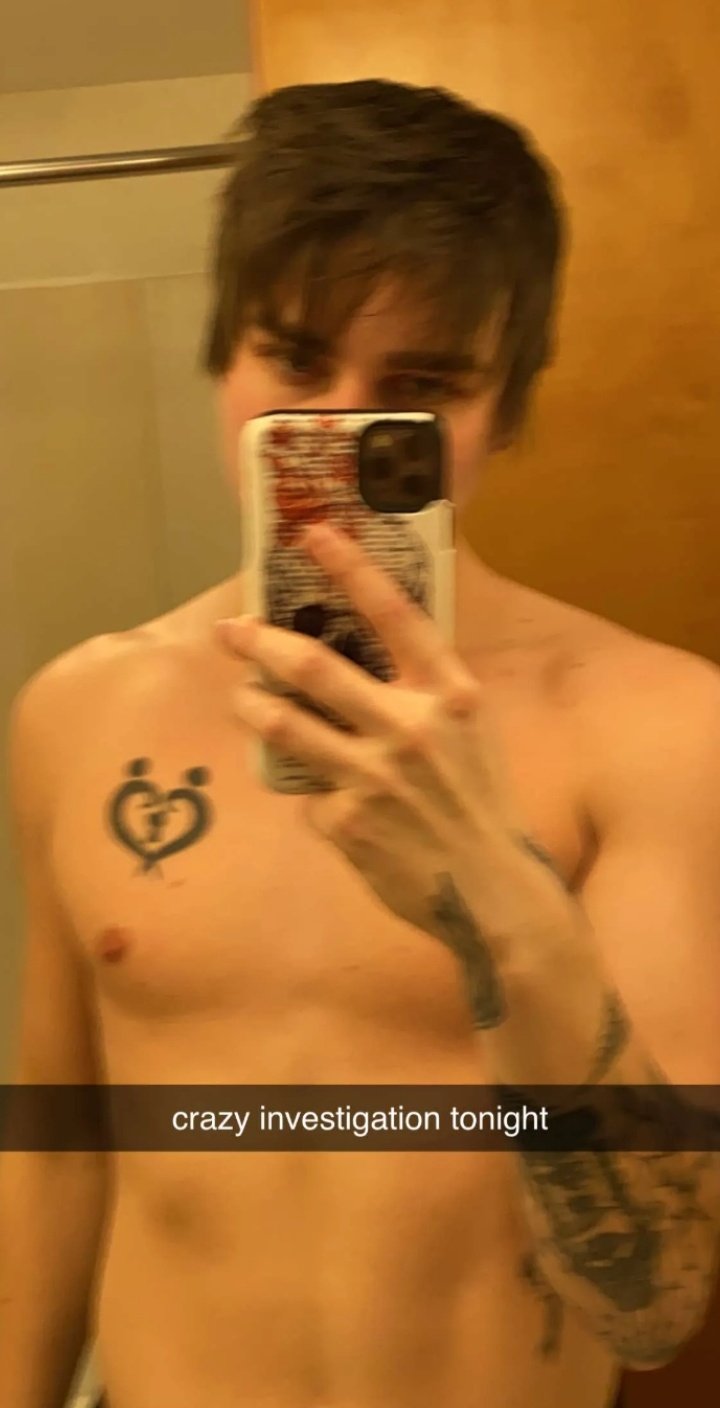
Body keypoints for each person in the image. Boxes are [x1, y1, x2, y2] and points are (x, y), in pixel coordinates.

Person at [1, 77, 719, 1408]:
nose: (337, 428)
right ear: (223, 358)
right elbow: (57, 1150)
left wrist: (500, 902)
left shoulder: (660, 729)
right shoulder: (78, 714)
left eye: (421, 386)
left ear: (504, 411)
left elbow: (657, 1300)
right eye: (295, 361)